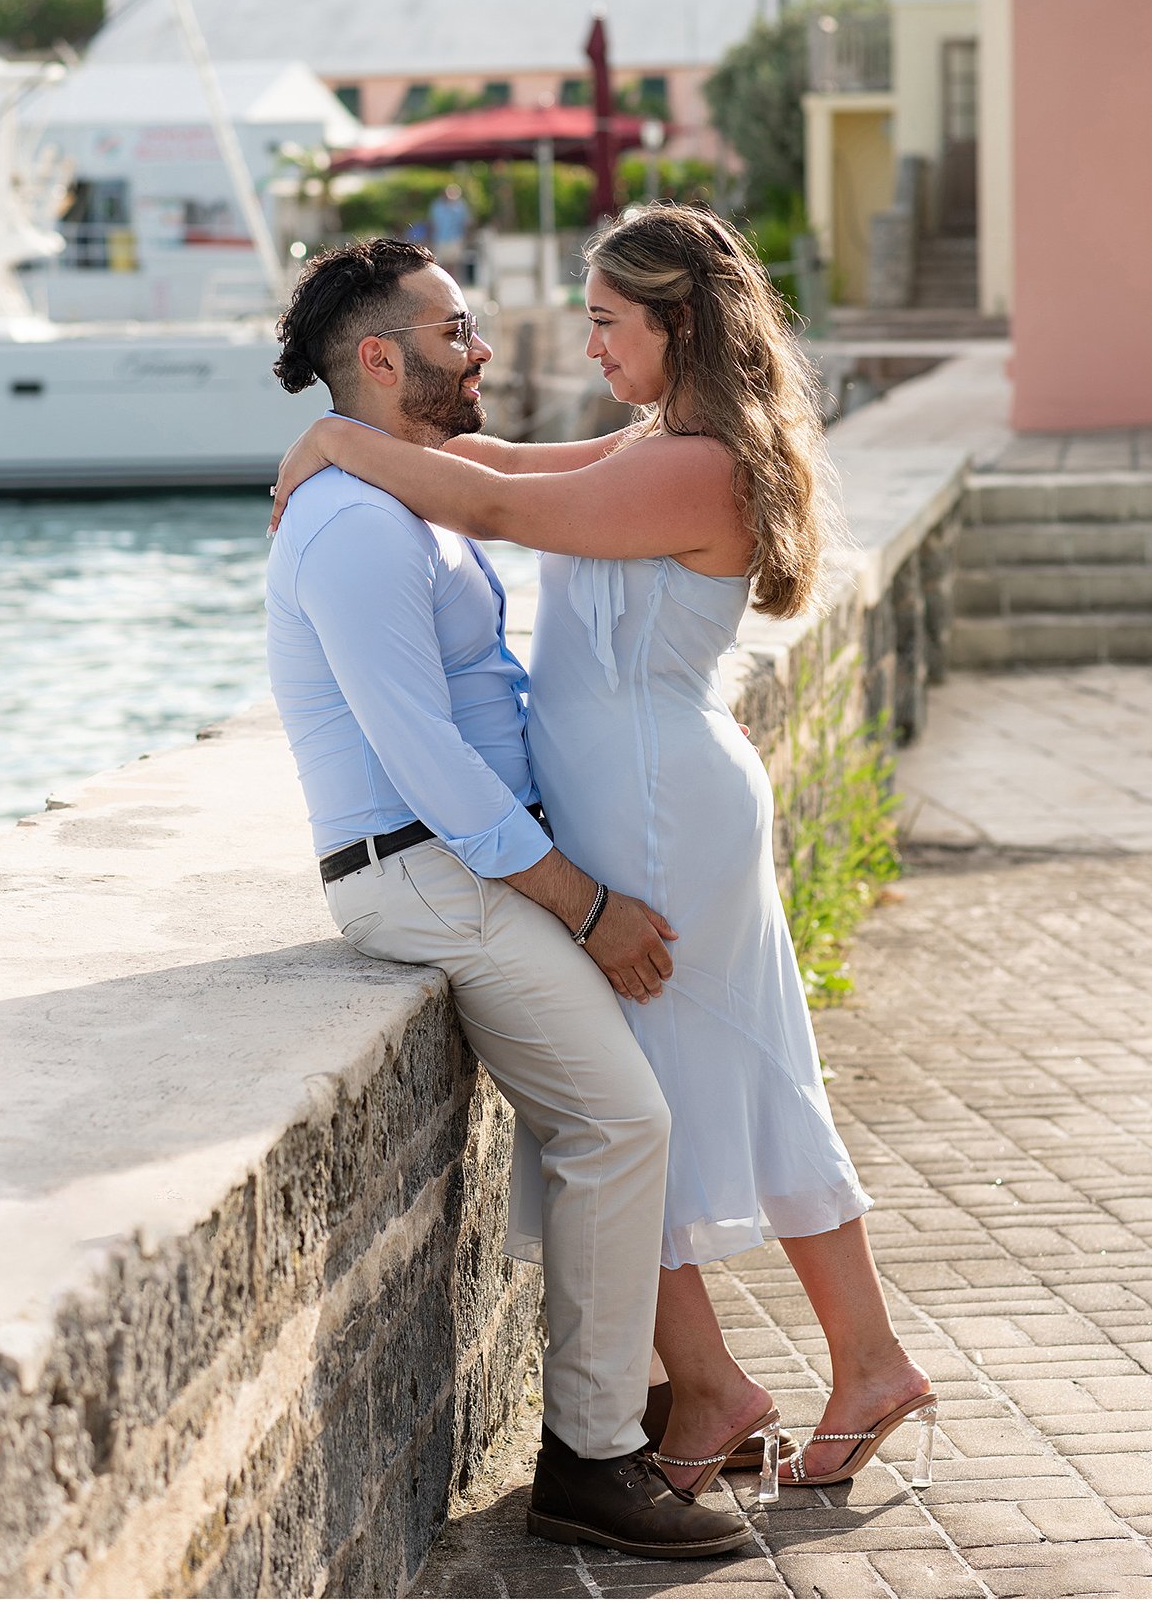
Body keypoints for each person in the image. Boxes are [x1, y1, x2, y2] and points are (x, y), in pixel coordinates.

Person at [270, 205, 937, 1501]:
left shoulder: (695, 466)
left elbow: (491, 507)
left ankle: (732, 1388)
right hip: (645, 793)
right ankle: (843, 1368)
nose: (586, 349)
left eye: (605, 324)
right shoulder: (661, 445)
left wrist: (329, 436)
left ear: (675, 325)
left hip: (652, 807)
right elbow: (505, 464)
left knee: (655, 1098)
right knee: (720, 1080)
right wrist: (357, 433)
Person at [264, 236, 758, 1560]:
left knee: (614, 1114)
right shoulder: (356, 526)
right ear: (381, 358)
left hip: (461, 860)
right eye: (456, 330)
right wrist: (582, 903)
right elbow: (420, 758)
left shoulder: (396, 495)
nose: (483, 350)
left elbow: (533, 482)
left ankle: (636, 1410)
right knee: (617, 1120)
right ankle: (593, 1459)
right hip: (417, 871)